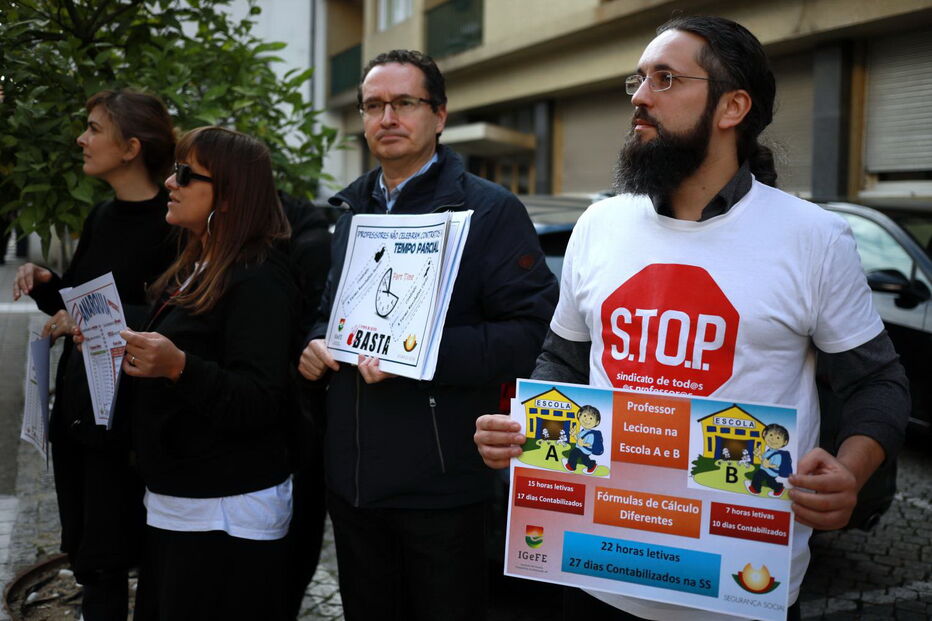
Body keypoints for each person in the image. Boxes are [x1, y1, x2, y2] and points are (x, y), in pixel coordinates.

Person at [474, 16, 909, 621]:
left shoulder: (813, 238)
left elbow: (878, 383)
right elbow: (563, 360)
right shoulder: (599, 226)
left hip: (739, 587)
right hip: (598, 570)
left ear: (732, 106)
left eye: (665, 79)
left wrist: (850, 471)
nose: (639, 96)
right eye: (639, 77)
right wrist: (526, 426)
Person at [298, 49, 558, 621]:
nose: (386, 117)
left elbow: (531, 333)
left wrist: (418, 355)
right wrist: (319, 341)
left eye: (403, 103)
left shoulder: (489, 212)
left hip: (439, 487)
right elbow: (328, 311)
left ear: (439, 116)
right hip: (353, 485)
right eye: (373, 106)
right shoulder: (351, 214)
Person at [105, 126, 298, 620]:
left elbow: (261, 399)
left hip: (225, 512)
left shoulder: (258, 278)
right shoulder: (203, 263)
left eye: (186, 174)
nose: (171, 182)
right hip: (183, 498)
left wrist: (179, 367)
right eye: (175, 169)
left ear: (229, 197)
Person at [12, 89, 176, 621]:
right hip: (79, 406)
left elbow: (171, 316)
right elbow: (80, 301)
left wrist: (93, 317)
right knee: (87, 553)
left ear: (130, 147)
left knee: (120, 550)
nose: (81, 139)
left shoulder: (173, 222)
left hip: (127, 414)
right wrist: (45, 285)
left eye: (93, 128)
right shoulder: (103, 215)